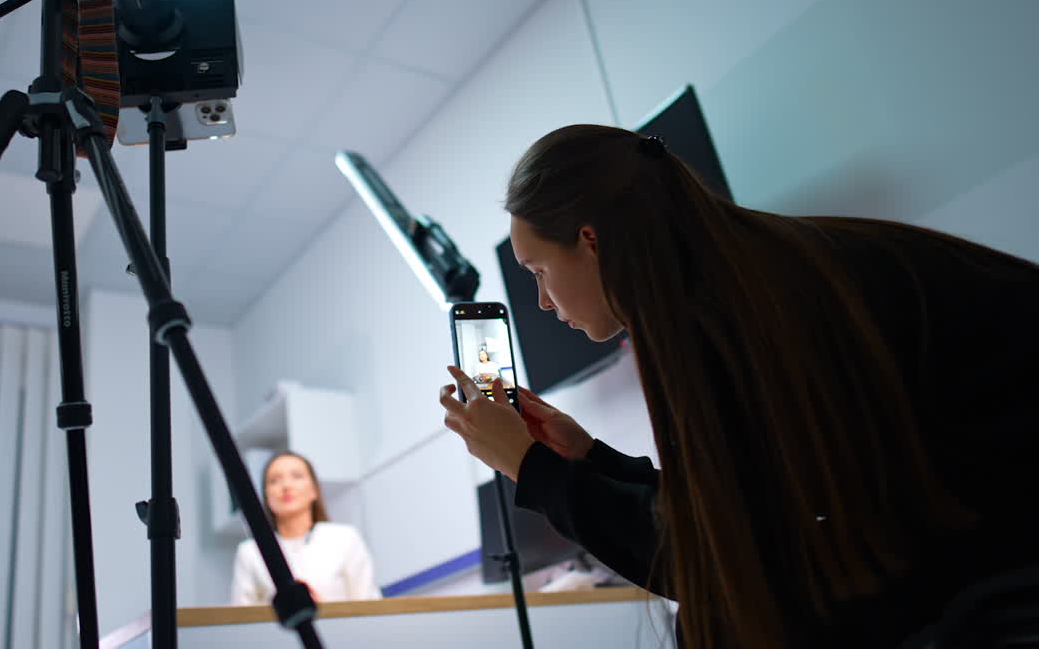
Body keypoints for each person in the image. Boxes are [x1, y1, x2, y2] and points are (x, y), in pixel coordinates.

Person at [437, 125, 1039, 649]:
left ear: (591, 242)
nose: (541, 301)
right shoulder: (758, 275)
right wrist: (589, 458)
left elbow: (717, 563)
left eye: (540, 271)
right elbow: (736, 510)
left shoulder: (726, 322)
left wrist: (532, 469)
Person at [231, 452, 382, 605]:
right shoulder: (250, 552)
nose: (286, 486)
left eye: (297, 476)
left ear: (314, 490)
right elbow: (241, 618)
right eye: (274, 480)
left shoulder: (345, 539)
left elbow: (369, 606)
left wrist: (327, 612)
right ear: (266, 495)